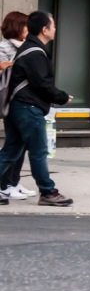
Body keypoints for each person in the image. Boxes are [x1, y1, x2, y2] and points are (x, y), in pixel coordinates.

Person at [0, 11, 73, 207]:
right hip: (28, 108)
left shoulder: (28, 48)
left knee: (11, 151)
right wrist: (62, 97)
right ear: (44, 29)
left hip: (17, 107)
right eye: (53, 25)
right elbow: (42, 84)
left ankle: (45, 191)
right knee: (38, 152)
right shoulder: (35, 53)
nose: (55, 29)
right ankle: (48, 192)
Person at [0, 11, 34, 201]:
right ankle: (5, 184)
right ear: (17, 27)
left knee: (20, 144)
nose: (28, 30)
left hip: (22, 100)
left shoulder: (26, 47)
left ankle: (13, 181)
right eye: (26, 26)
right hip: (10, 100)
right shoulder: (5, 47)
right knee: (13, 144)